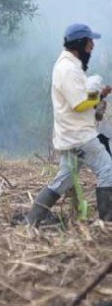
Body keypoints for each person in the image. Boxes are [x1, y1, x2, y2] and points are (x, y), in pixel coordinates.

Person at [26, 24, 112, 226]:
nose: (92, 48)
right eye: (90, 44)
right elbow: (80, 103)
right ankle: (108, 222)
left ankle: (34, 217)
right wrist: (99, 94)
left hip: (72, 135)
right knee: (108, 169)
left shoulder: (69, 66)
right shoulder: (67, 69)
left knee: (64, 178)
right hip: (79, 136)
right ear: (80, 44)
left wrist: (98, 99)